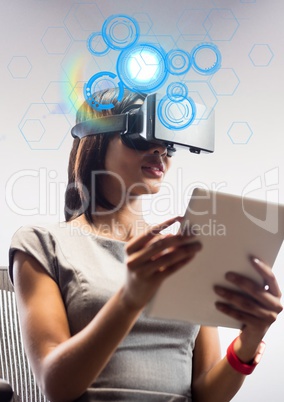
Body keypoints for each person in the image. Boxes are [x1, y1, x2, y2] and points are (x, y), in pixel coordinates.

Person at [9, 88, 282, 402]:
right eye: (141, 136)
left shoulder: (184, 250)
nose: (160, 152)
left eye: (167, 144)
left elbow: (206, 394)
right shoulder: (43, 244)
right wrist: (130, 298)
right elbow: (56, 386)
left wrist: (250, 342)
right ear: (96, 140)